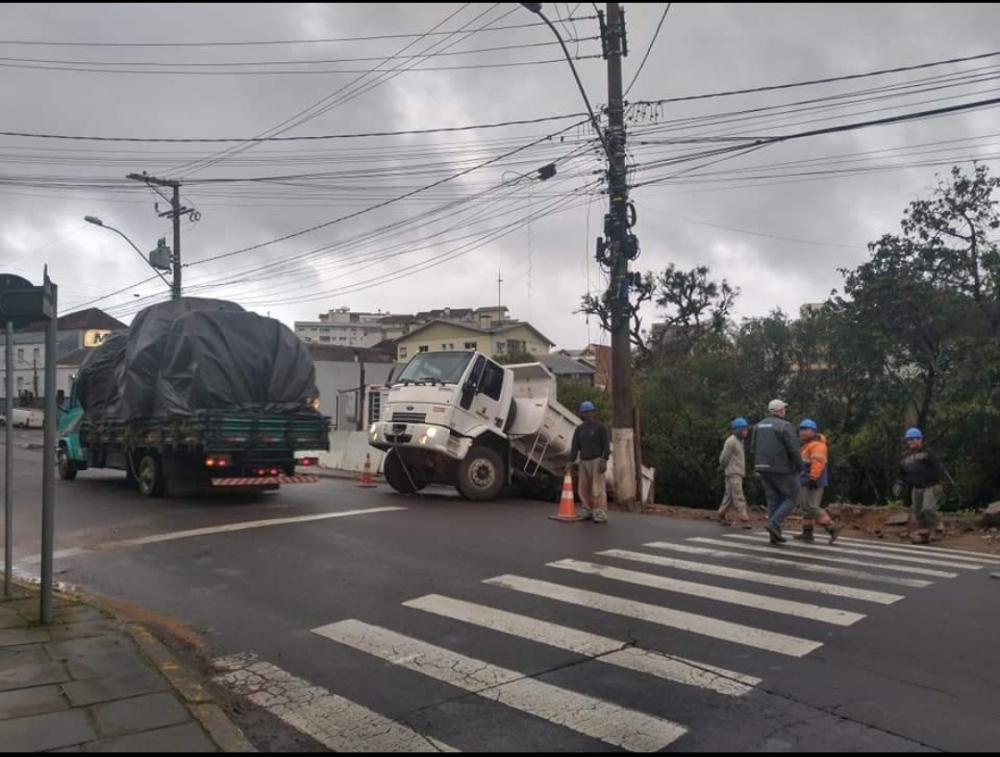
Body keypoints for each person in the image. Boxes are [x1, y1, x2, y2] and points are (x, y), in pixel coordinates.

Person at [752, 399, 801, 545]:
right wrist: (799, 467)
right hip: (781, 468)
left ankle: (774, 535)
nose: (785, 411)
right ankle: (774, 524)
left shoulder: (758, 426)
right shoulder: (785, 426)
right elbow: (793, 449)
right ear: (780, 410)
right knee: (793, 497)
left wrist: (757, 466)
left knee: (773, 499)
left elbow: (752, 448)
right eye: (784, 409)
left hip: (761, 467)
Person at [895, 427, 944, 545]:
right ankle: (924, 534)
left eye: (915, 439)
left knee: (927, 508)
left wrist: (933, 481)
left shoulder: (927, 453)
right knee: (917, 511)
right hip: (916, 487)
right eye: (910, 439)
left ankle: (937, 524)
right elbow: (902, 473)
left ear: (920, 439)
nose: (912, 441)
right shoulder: (905, 457)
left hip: (930, 486)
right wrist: (899, 483)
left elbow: (937, 468)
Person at [794, 419, 840, 544]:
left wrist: (813, 478)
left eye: (806, 429)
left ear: (814, 431)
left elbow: (817, 463)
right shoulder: (808, 445)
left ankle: (832, 527)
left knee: (811, 506)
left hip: (813, 480)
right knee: (805, 507)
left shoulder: (818, 445)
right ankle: (807, 533)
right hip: (806, 479)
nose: (802, 432)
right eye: (801, 430)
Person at [568, 400, 611, 524]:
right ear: (581, 414)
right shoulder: (579, 429)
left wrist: (604, 459)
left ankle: (600, 512)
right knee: (583, 488)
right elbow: (575, 446)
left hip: (596, 460)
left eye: (589, 412)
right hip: (583, 461)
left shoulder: (600, 427)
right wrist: (571, 461)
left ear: (593, 412)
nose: (587, 415)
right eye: (584, 412)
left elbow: (606, 445)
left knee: (597, 488)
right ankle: (587, 509)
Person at [716, 417, 752, 529]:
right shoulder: (731, 441)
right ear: (737, 430)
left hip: (737, 472)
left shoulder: (739, 441)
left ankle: (721, 514)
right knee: (738, 496)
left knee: (729, 496)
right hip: (733, 473)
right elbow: (723, 458)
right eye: (743, 429)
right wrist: (723, 467)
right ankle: (744, 519)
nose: (746, 431)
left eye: (746, 429)